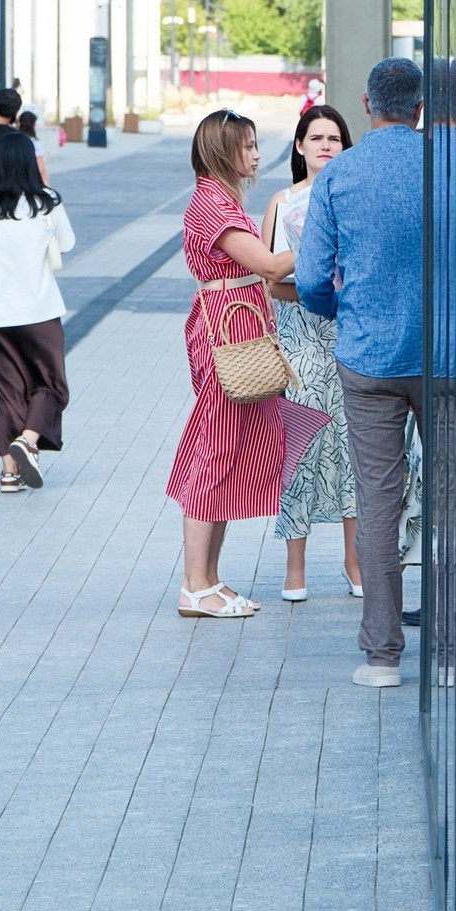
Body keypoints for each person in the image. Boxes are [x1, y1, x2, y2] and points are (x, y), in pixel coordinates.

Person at [166, 109, 328, 620]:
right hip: (227, 340)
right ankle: (195, 585)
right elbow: (272, 265)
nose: (257, 155)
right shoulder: (214, 204)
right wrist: (323, 228)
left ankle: (209, 581)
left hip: (237, 335)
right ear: (224, 150)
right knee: (212, 453)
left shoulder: (220, 199)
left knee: (228, 452)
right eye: (250, 146)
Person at [296, 57, 425, 687]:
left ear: (368, 105)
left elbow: (312, 278)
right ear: (420, 108)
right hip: (447, 357)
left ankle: (382, 655)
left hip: (368, 353)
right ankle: (452, 651)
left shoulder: (338, 175)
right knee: (453, 499)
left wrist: (341, 312)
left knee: (378, 501)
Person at [260, 105, 360, 601]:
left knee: (354, 449)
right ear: (298, 146)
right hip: (299, 340)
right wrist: (317, 290)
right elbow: (267, 281)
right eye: (315, 137)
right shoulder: (281, 203)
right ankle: (294, 567)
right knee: (298, 452)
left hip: (349, 340)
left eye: (334, 138)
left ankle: (354, 560)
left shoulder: (355, 198)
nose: (325, 145)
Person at [0, 133, 75, 493]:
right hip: (38, 313)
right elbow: (66, 244)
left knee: (6, 392)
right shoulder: (47, 202)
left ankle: (9, 473)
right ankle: (28, 439)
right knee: (51, 385)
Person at [17, 110, 51, 186]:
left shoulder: (14, 140)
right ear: (33, 124)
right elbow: (41, 169)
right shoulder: (35, 143)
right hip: (31, 183)